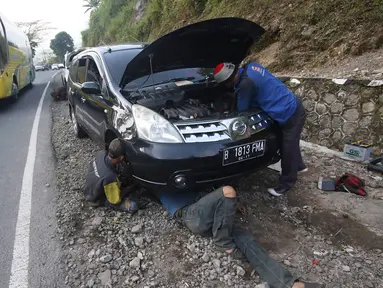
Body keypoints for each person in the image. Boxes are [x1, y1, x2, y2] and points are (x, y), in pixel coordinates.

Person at [155, 186, 325, 288]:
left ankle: (288, 284)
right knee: (227, 191)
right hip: (189, 213)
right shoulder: (155, 170)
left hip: (203, 214)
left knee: (246, 239)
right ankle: (222, 242)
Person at [213, 62, 307, 196]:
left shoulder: (245, 85)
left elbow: (243, 111)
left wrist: (228, 113)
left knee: (288, 148)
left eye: (226, 84)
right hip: (292, 105)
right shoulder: (251, 66)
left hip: (289, 113)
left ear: (229, 80)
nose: (227, 87)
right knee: (290, 143)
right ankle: (299, 166)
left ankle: (286, 184)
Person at [84, 138, 138, 213]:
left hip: (90, 188)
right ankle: (101, 202)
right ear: (122, 157)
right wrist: (133, 186)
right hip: (96, 198)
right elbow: (115, 200)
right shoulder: (109, 177)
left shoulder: (101, 154)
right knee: (133, 206)